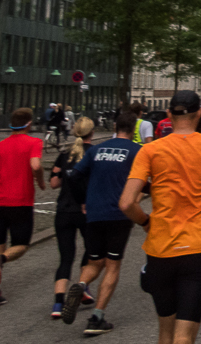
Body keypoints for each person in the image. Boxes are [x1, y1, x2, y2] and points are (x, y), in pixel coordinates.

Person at [119, 90, 201, 344]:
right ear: (199, 114)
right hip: (196, 249)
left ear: (169, 114)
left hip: (159, 249)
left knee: (165, 331)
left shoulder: (150, 151)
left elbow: (127, 202)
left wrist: (146, 222)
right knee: (184, 337)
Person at [61, 112, 142, 334]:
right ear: (133, 129)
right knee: (113, 265)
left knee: (95, 262)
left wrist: (83, 200)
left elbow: (74, 176)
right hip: (119, 213)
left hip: (94, 212)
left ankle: (81, 285)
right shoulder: (137, 151)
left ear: (115, 126)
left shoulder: (97, 149)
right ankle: (96, 318)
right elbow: (143, 182)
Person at [0, 107, 45, 309]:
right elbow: (36, 165)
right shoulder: (34, 142)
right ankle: (1, 259)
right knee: (21, 245)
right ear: (29, 123)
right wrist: (40, 181)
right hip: (20, 203)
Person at [49, 117, 96, 319]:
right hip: (87, 211)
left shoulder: (64, 154)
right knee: (93, 250)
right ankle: (82, 287)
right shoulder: (94, 153)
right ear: (91, 133)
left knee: (65, 258)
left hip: (64, 211)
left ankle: (58, 303)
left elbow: (53, 183)